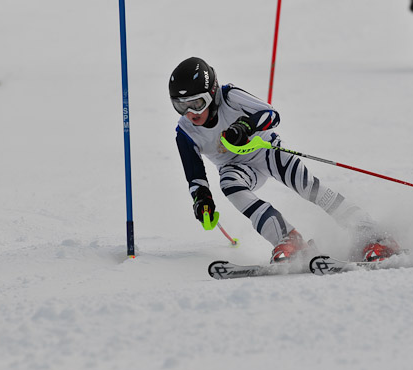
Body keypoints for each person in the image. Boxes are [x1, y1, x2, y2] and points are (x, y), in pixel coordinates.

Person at [169, 57, 399, 263]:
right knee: (229, 185)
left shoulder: (230, 97)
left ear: (212, 93)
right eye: (181, 106)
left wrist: (245, 126)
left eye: (197, 103)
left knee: (306, 186)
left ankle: (371, 234)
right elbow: (194, 172)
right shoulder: (186, 131)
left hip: (265, 150)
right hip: (235, 167)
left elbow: (271, 114)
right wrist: (202, 199)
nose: (191, 112)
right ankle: (288, 239)